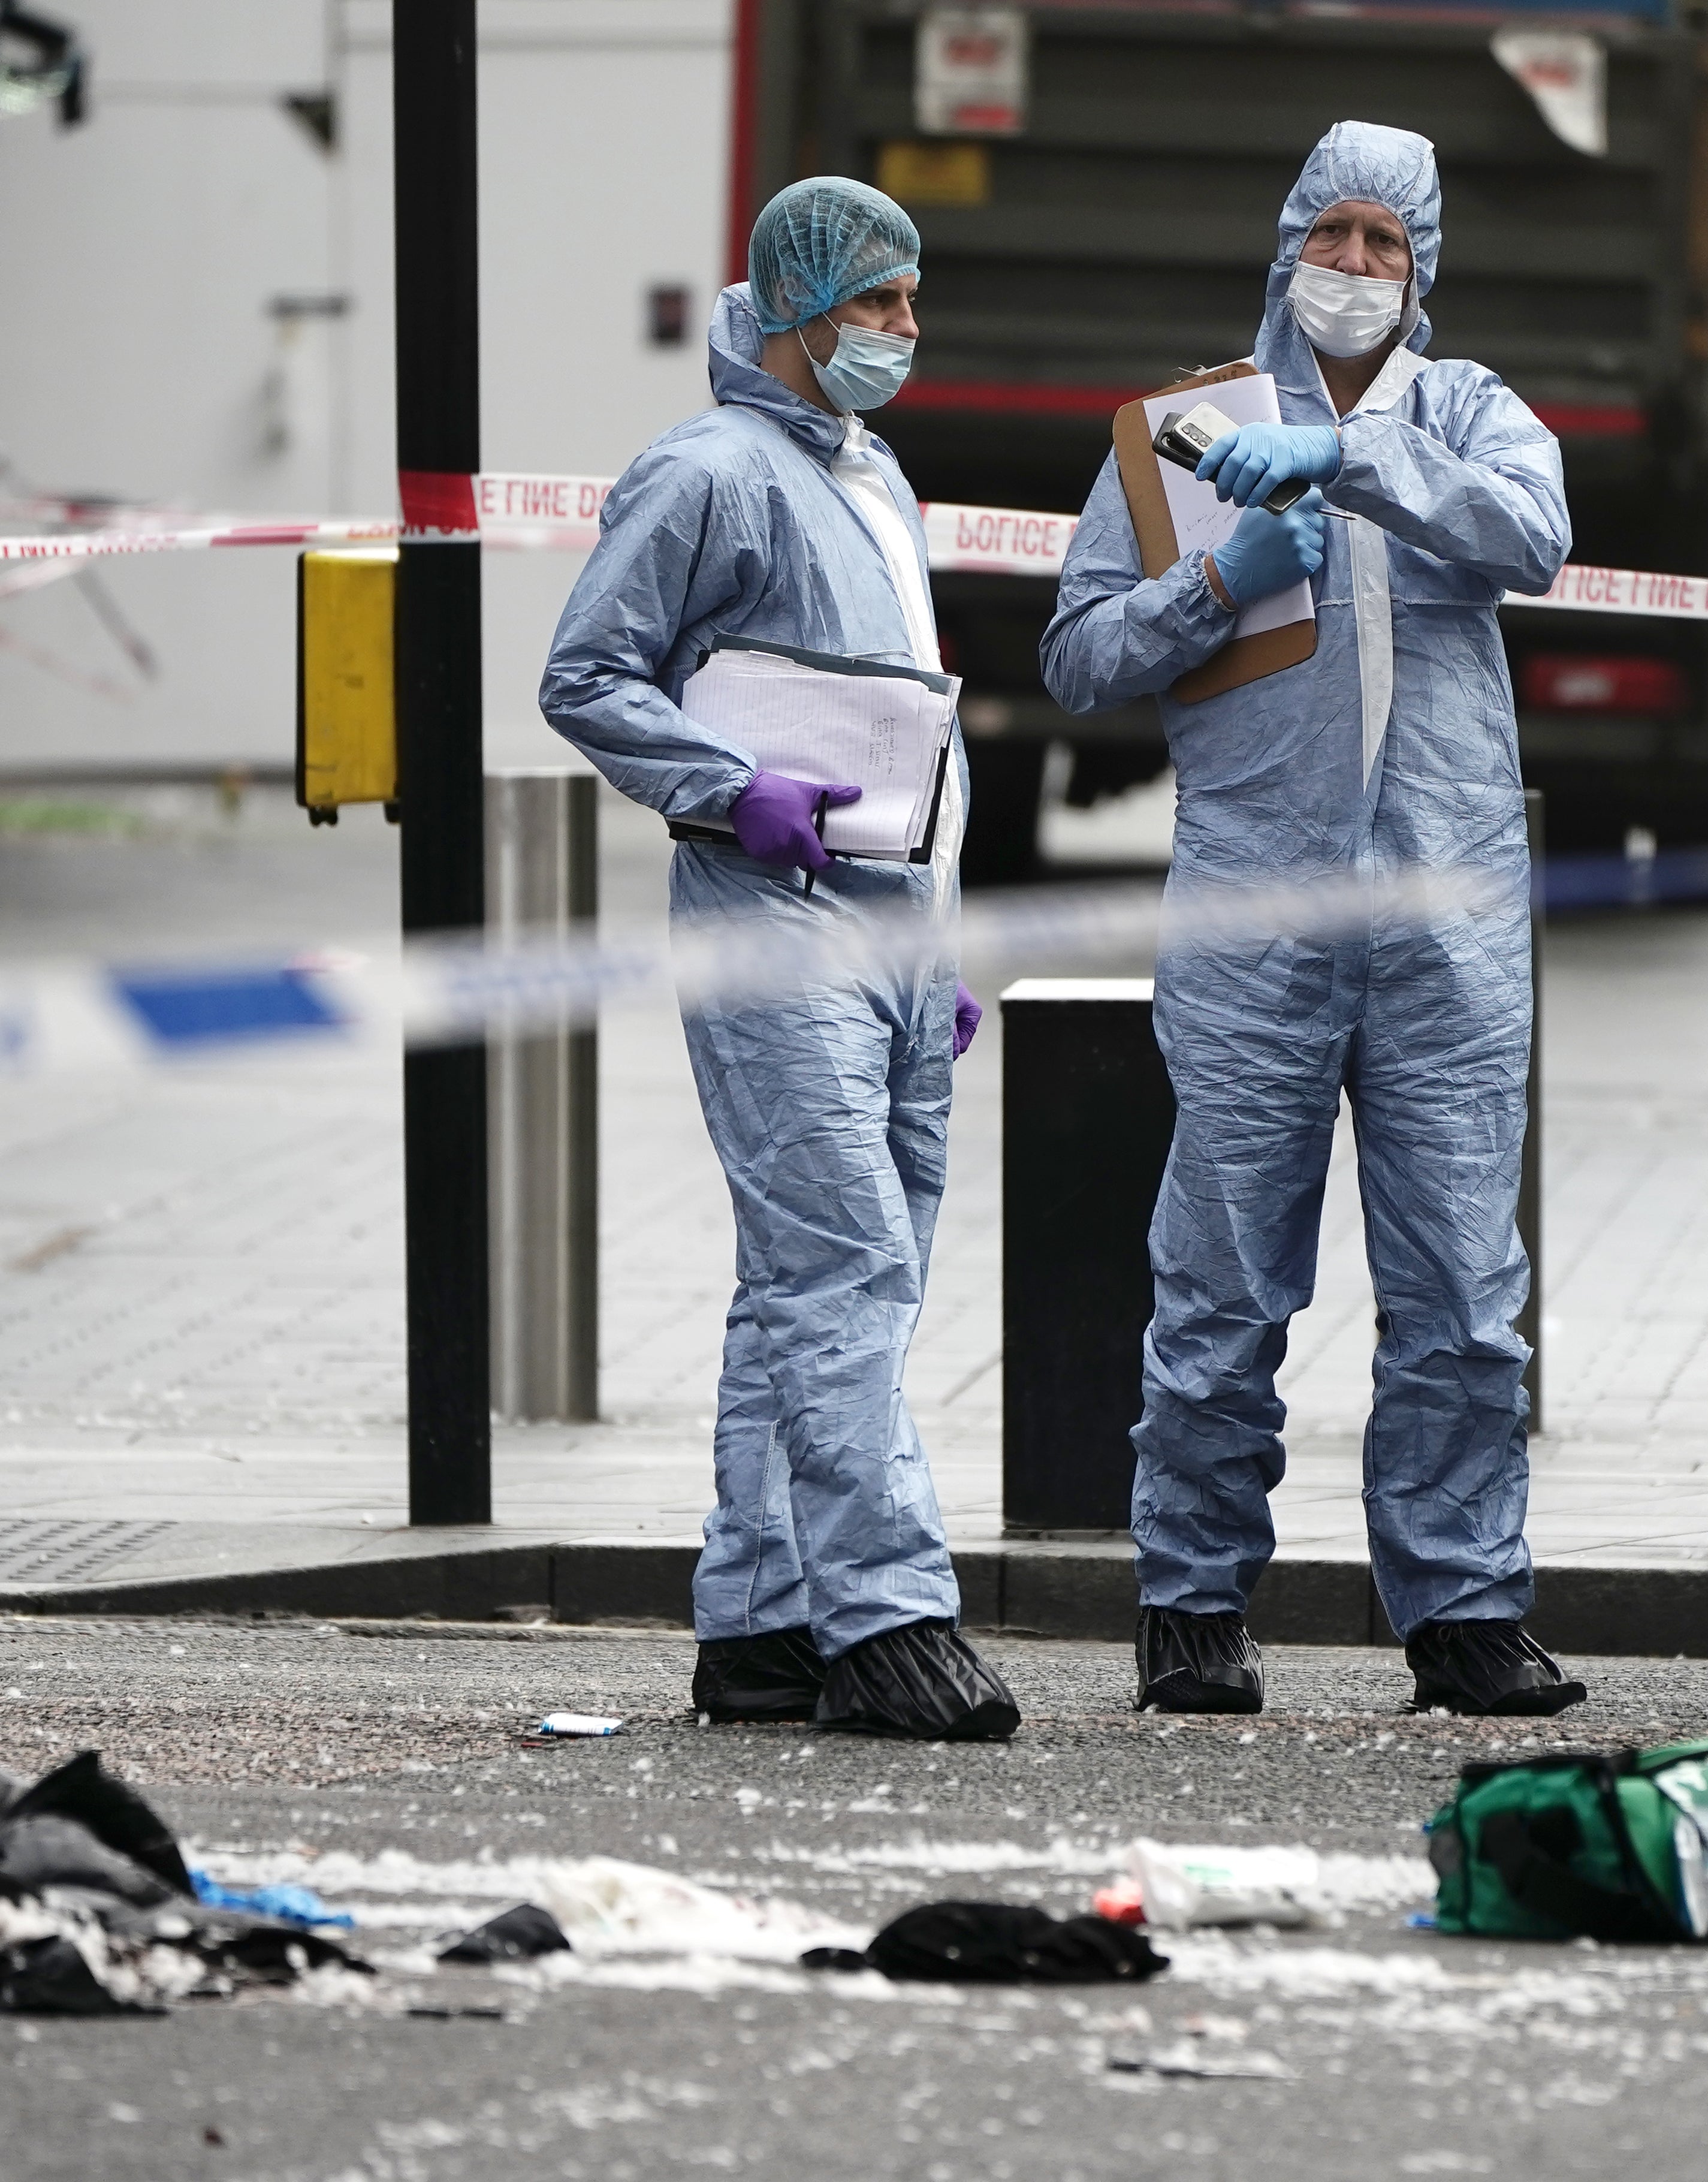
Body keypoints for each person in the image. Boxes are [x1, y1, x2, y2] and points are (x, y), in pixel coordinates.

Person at [1039, 123, 1577, 1718]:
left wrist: (1353, 463)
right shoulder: (1180, 436)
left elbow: (1533, 536)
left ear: (1425, 272)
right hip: (1254, 922)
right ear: (1282, 245)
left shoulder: (1470, 413)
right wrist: (1215, 586)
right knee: (1217, 1284)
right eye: (1330, 236)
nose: (1353, 269)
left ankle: (1467, 1609)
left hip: (1445, 930)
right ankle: (1192, 1603)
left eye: (1385, 245)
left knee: (1467, 1297)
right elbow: (1076, 658)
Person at [538, 177, 1016, 1742]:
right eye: (879, 301)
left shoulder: (875, 478)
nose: (906, 329)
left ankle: (763, 1621)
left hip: (888, 920)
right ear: (801, 302)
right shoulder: (702, 475)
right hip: (767, 914)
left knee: (809, 1288)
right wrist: (721, 786)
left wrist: (933, 936)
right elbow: (586, 674)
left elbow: (904, 724)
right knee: (843, 1271)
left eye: (916, 298)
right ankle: (887, 1617)